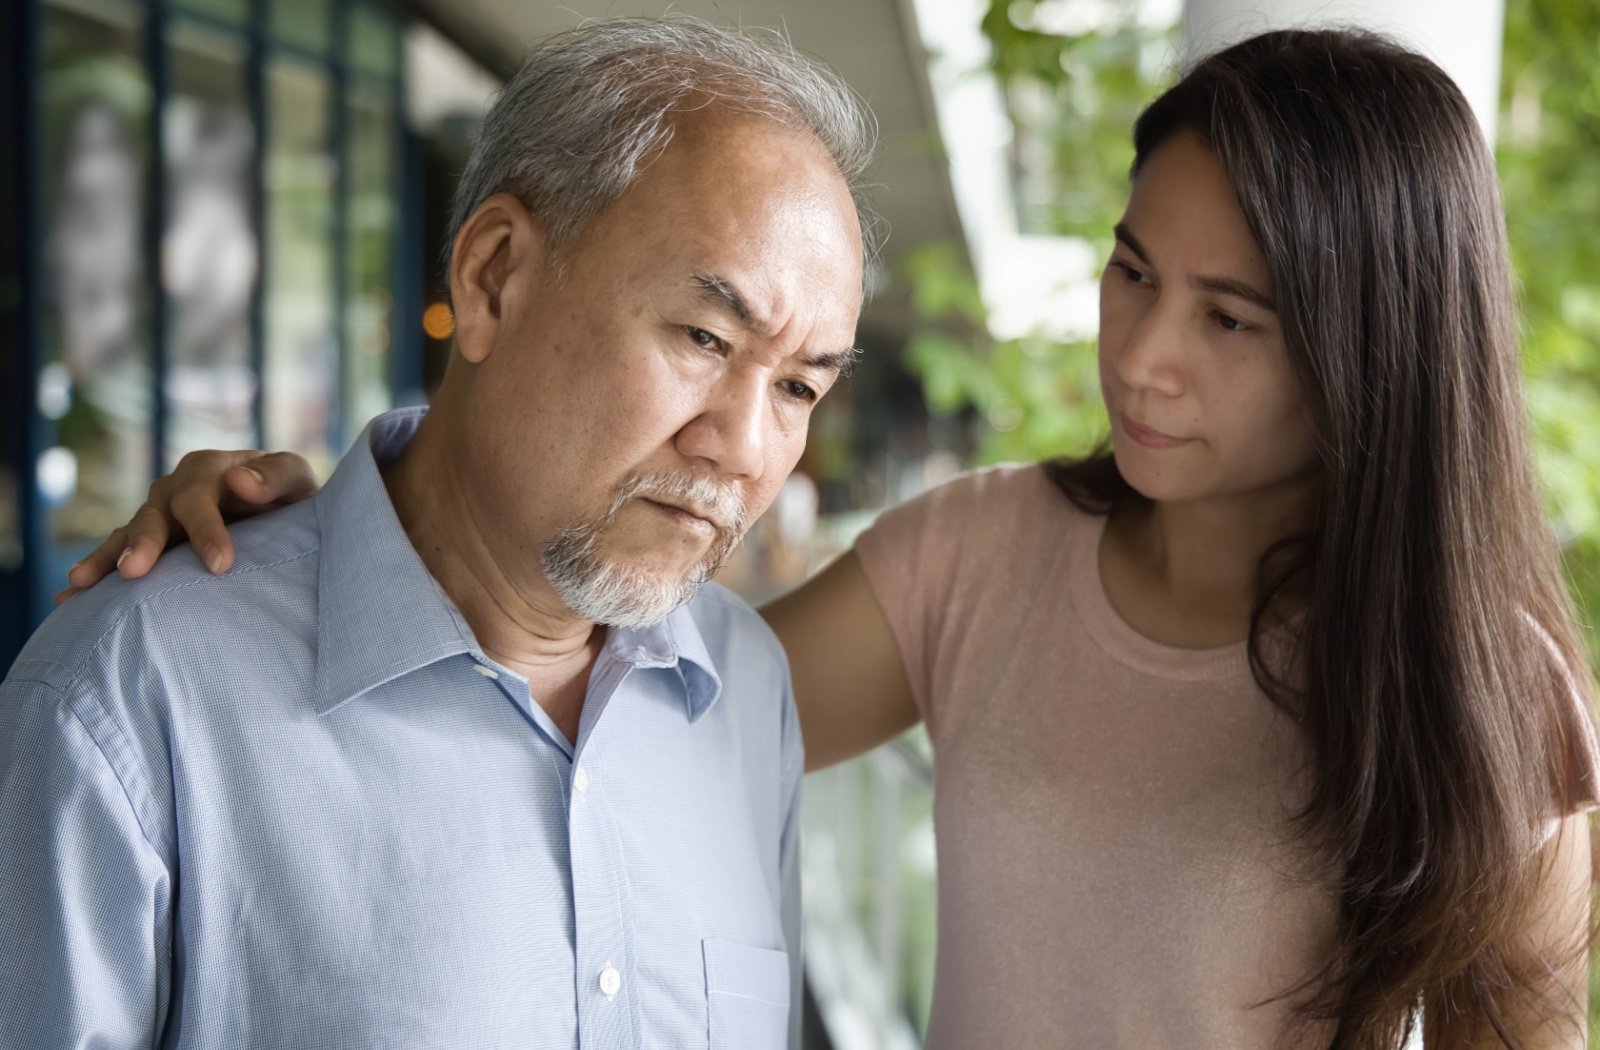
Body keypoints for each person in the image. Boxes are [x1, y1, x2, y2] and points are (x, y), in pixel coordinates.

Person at [61, 27, 1599, 1050]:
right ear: (495, 268)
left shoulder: (1486, 693)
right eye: (1134, 275)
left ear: (1369, 349)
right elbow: (603, 676)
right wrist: (327, 531)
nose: (1142, 359)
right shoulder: (983, 561)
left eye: (1232, 318)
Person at [1, 18, 874, 1049]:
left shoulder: (742, 690)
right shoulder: (137, 695)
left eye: (799, 386)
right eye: (703, 337)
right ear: (492, 275)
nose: (743, 446)